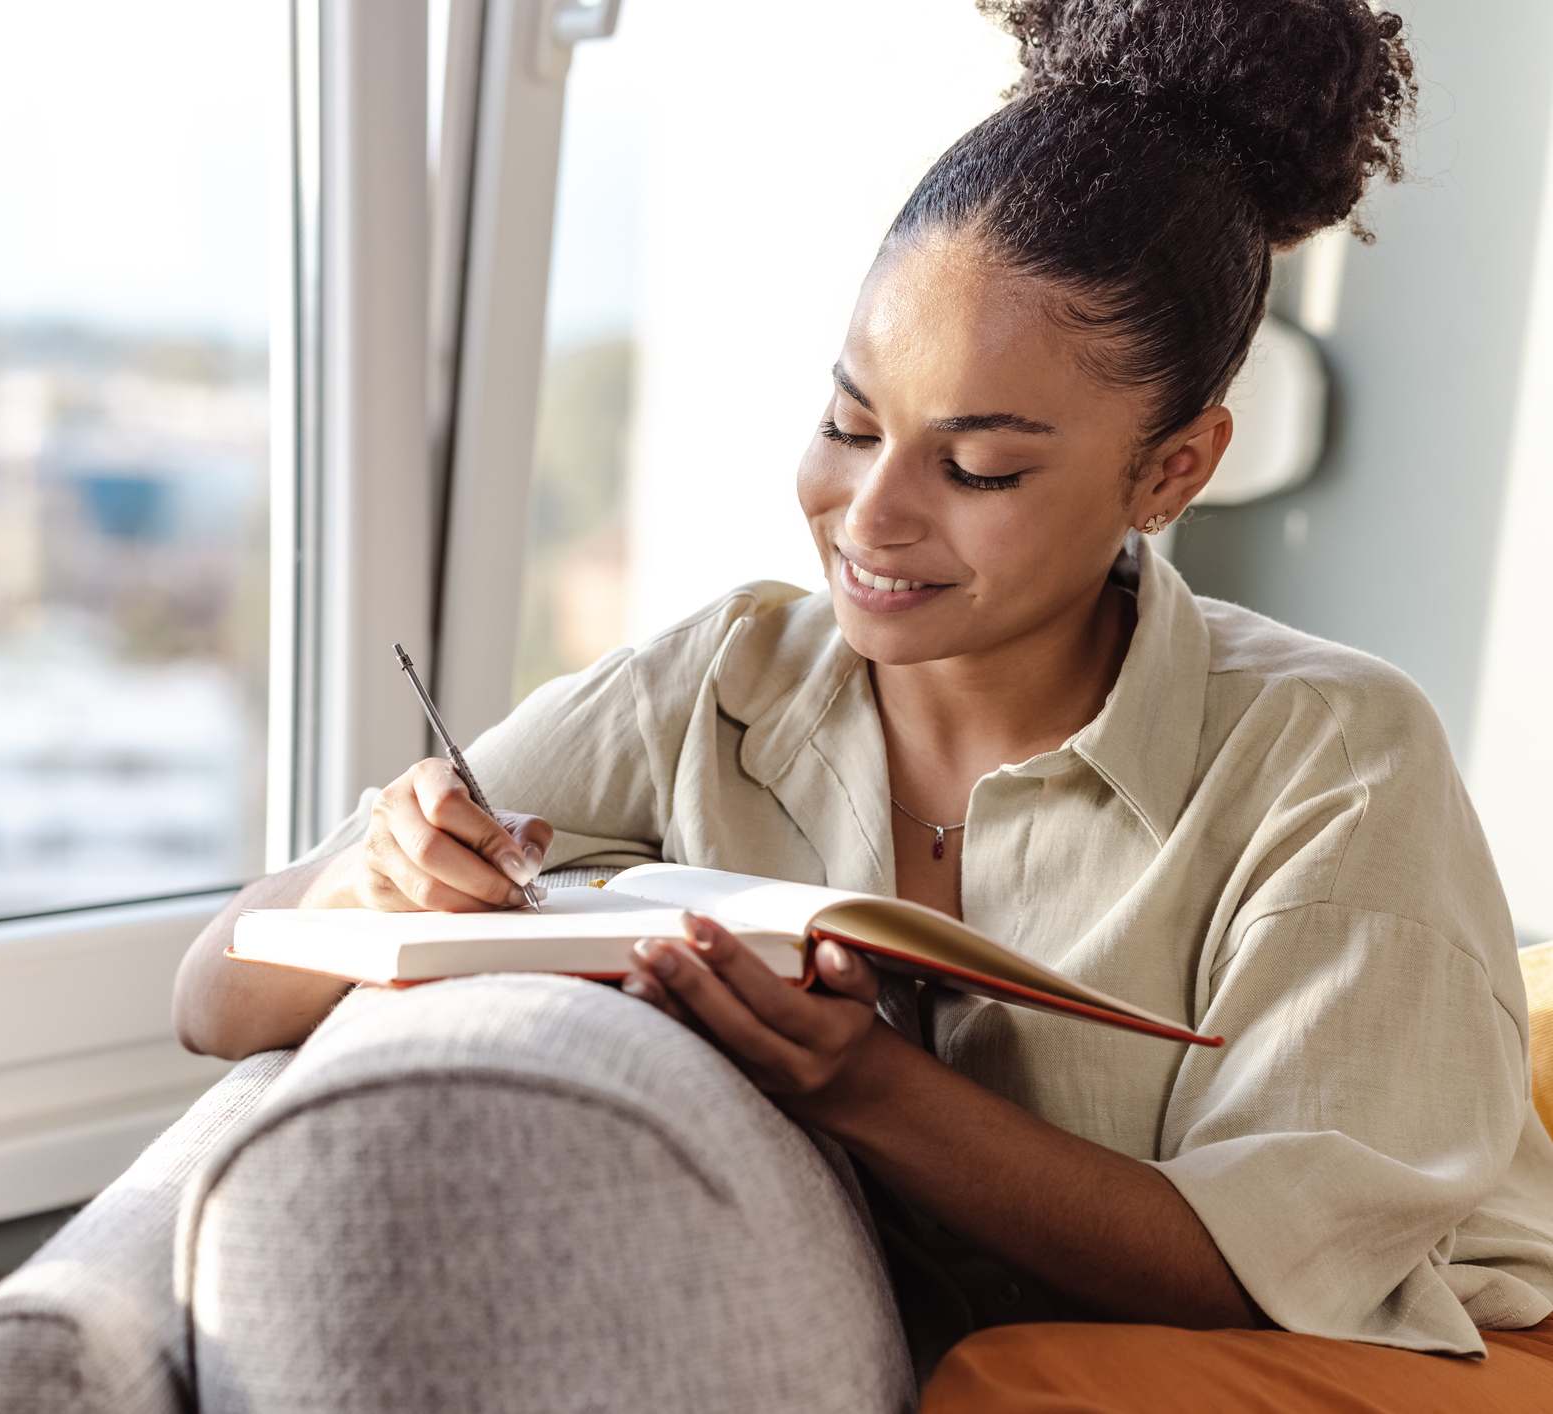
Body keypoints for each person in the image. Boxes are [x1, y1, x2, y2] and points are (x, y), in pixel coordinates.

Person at [175, 0, 1553, 1403]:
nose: (870, 517)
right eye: (849, 424)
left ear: (1173, 471)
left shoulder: (1335, 757)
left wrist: (868, 1087)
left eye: (982, 471)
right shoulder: (725, 683)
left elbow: (1248, 1269)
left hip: (1409, 1365)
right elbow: (214, 989)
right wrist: (384, 883)